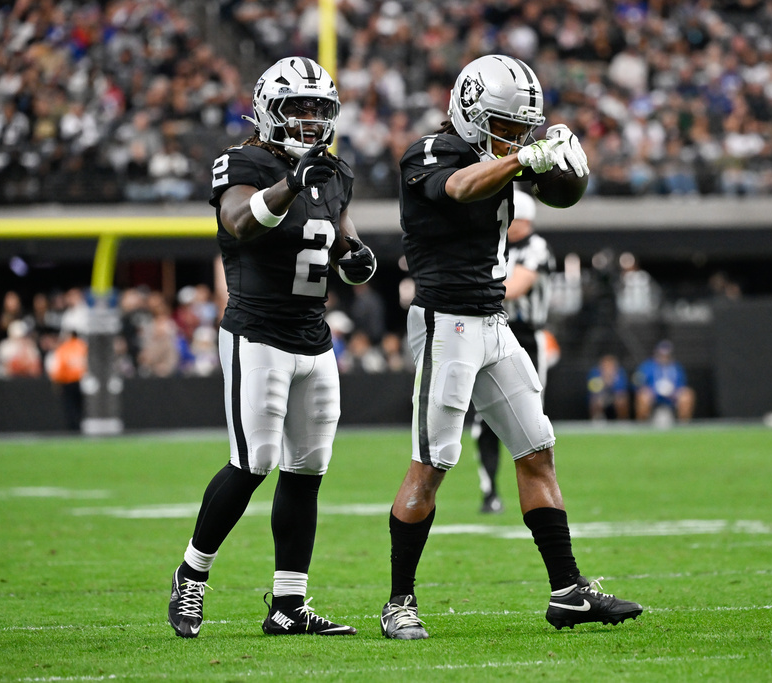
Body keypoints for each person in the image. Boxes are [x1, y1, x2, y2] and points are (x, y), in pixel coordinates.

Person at [380, 54, 642, 640]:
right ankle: (399, 601)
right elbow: (457, 187)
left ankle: (568, 592)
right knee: (433, 463)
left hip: (495, 322)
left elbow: (565, 193)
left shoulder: (501, 155)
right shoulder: (433, 153)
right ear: (470, 113)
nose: (515, 136)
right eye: (504, 124)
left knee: (537, 450)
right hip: (446, 322)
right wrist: (523, 157)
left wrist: (566, 159)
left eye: (522, 126)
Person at [167, 57, 376, 639]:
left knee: (306, 469)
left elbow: (342, 241)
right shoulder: (244, 162)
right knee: (252, 461)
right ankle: (192, 574)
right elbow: (238, 222)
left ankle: (288, 605)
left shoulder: (333, 174)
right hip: (256, 332)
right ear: (267, 110)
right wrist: (290, 183)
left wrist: (358, 260)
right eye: (298, 109)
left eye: (319, 110)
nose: (310, 121)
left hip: (314, 336)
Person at [471, 189, 555, 515]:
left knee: (531, 419)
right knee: (484, 419)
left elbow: (517, 287)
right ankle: (490, 491)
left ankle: (538, 491)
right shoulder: (497, 247)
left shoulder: (536, 247)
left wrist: (472, 288)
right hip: (493, 331)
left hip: (527, 338)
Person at [633, 340, 695, 424]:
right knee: (642, 396)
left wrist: (677, 392)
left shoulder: (677, 367)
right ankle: (642, 425)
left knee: (687, 395)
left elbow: (682, 385)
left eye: (666, 355)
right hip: (653, 395)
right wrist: (645, 389)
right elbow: (637, 382)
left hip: (672, 395)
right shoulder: (647, 366)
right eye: (662, 355)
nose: (664, 357)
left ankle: (683, 424)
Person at [587, 354, 631, 421]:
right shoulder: (595, 373)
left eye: (610, 365)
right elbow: (593, 389)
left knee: (621, 399)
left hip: (615, 396)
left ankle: (622, 420)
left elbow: (622, 388)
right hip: (601, 396)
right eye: (606, 365)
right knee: (595, 400)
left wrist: (612, 382)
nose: (608, 368)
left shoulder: (620, 373)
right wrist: (604, 382)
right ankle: (597, 419)